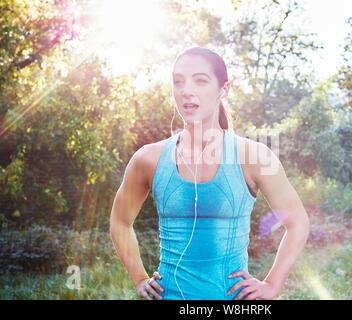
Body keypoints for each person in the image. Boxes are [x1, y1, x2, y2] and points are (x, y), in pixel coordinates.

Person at [110, 46, 310, 300]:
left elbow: (298, 223)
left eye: (200, 80)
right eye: (178, 82)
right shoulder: (148, 159)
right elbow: (120, 221)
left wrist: (271, 285)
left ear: (223, 89)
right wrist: (139, 278)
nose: (187, 91)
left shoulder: (254, 156)